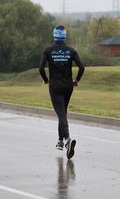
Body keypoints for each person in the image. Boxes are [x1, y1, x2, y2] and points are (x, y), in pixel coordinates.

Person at [39, 25, 85, 159]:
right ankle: (60, 141)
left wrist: (46, 79)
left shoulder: (48, 51)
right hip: (68, 86)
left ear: (54, 36)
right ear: (64, 36)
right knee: (63, 113)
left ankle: (68, 140)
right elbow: (82, 67)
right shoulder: (71, 51)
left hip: (55, 87)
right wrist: (76, 81)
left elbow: (41, 68)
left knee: (61, 115)